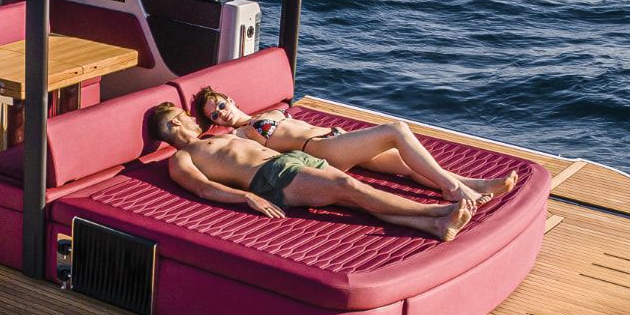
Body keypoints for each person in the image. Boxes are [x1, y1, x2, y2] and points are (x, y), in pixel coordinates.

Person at [148, 103, 476, 241]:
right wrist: (246, 197)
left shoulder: (219, 136)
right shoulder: (181, 158)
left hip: (292, 160)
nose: (191, 117)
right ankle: (438, 212)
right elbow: (203, 187)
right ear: (175, 124)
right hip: (272, 176)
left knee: (356, 200)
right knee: (350, 187)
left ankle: (434, 226)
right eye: (184, 114)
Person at [191, 87, 518, 208]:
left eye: (220, 105)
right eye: (214, 115)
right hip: (324, 150)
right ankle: (453, 189)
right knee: (395, 130)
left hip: (337, 137)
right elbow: (242, 158)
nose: (221, 113)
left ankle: (474, 184)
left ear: (230, 99)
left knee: (406, 163)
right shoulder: (241, 135)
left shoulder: (270, 113)